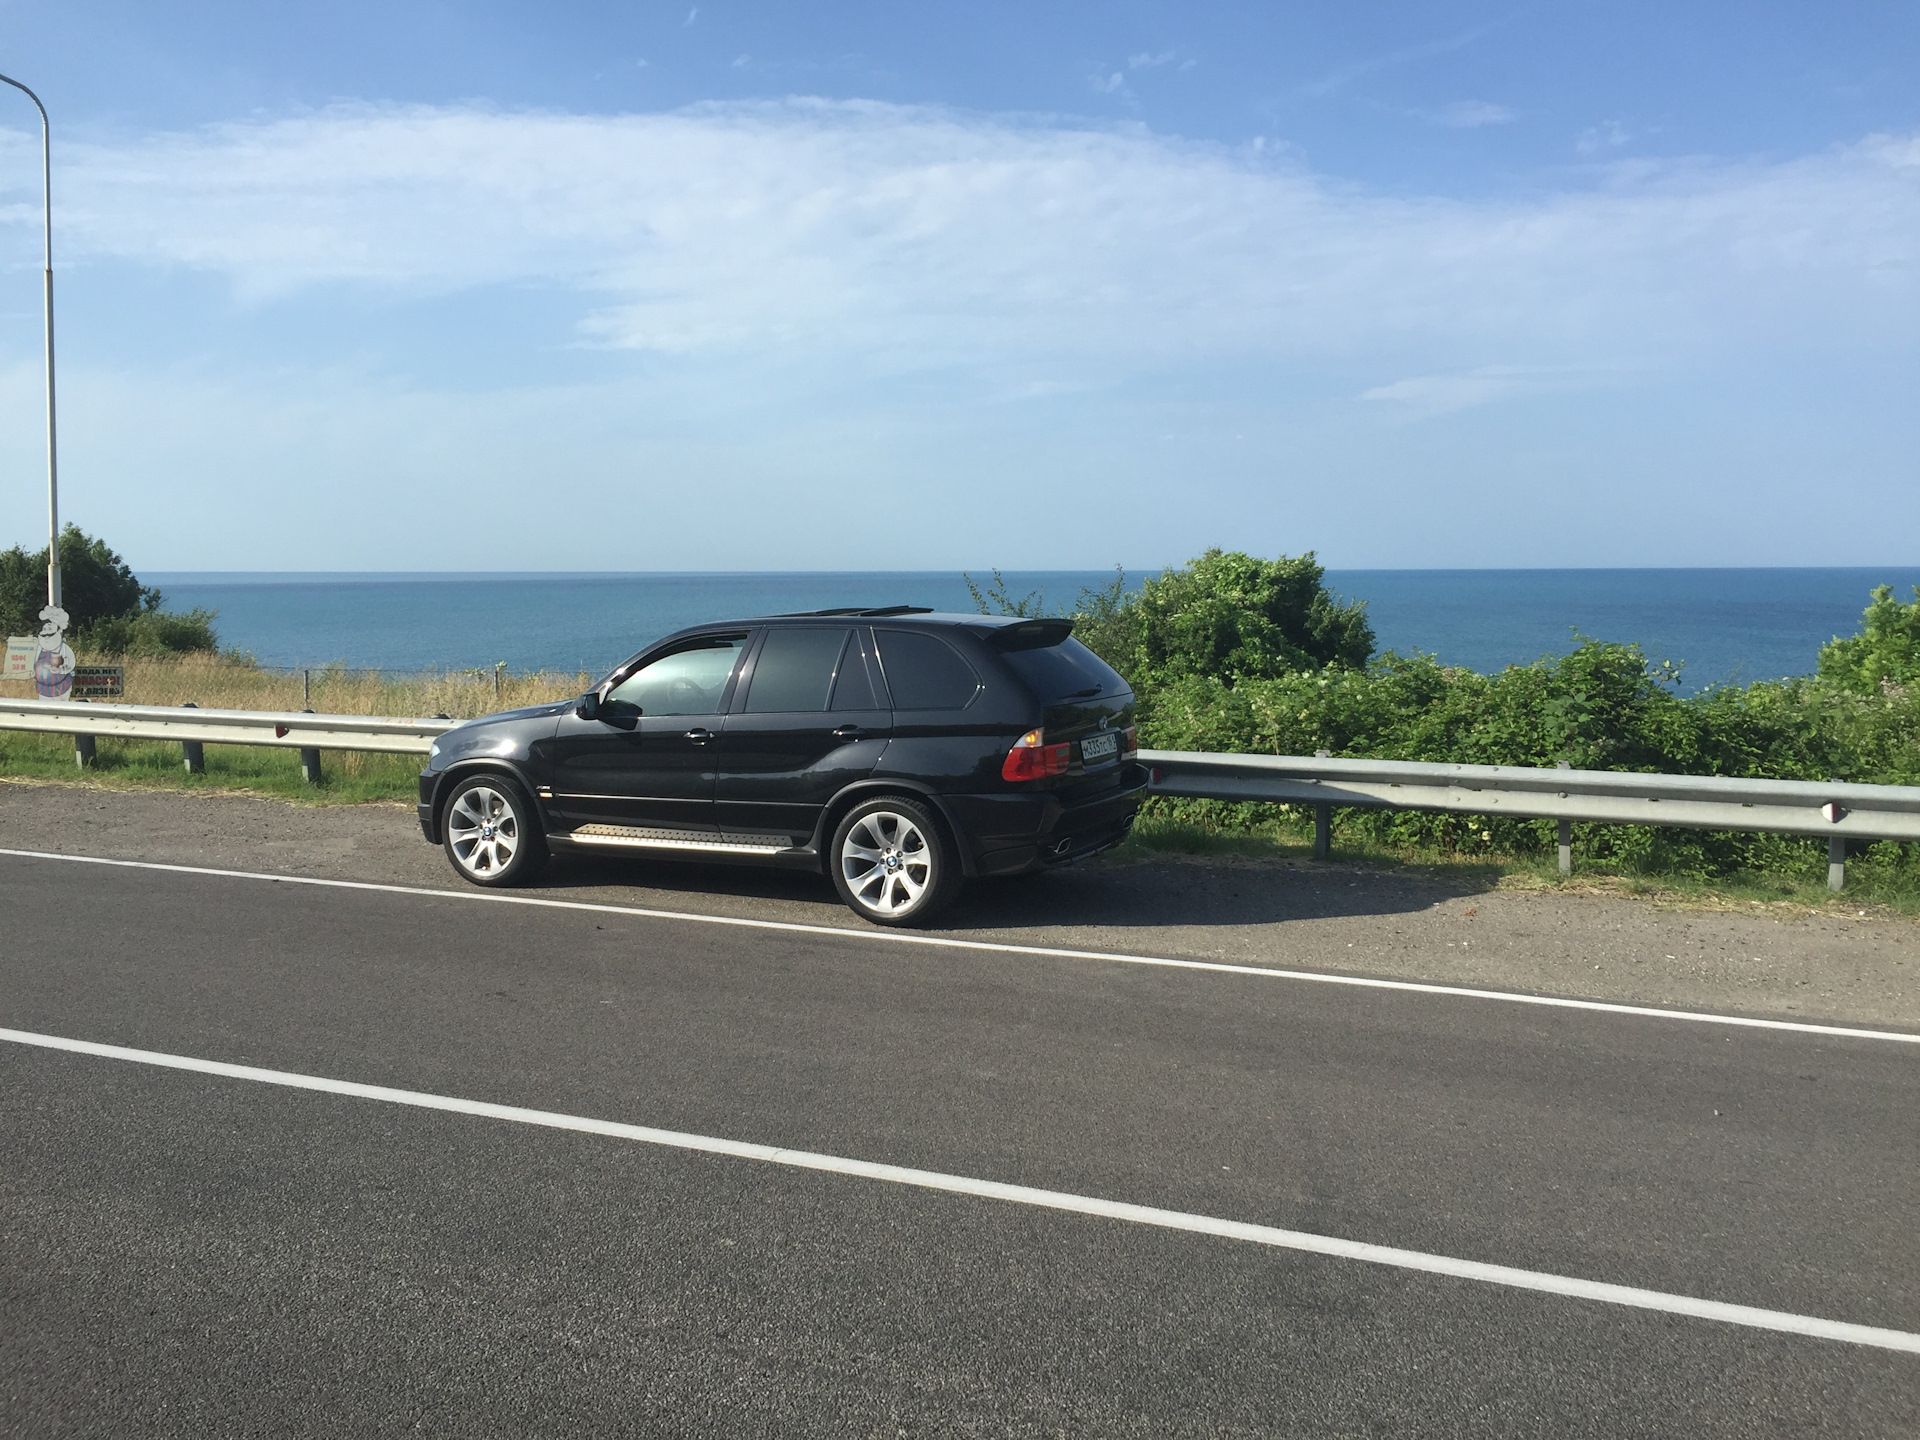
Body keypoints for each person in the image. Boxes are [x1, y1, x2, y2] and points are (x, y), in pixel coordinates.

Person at [33, 604, 74, 699]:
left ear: (59, 631)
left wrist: (60, 670)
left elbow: (70, 664)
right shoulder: (39, 648)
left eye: (50, 628)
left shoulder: (64, 649)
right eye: (44, 629)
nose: (46, 632)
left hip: (62, 687)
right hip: (43, 689)